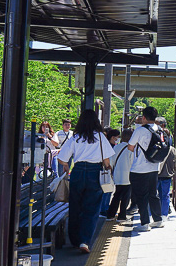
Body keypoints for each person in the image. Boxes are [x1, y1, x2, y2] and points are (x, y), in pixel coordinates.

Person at [56, 109, 112, 254]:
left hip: (78, 172)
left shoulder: (75, 137)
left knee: (75, 206)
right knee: (92, 208)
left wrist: (67, 166)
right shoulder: (100, 137)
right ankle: (84, 241)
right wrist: (108, 167)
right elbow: (106, 160)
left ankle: (74, 240)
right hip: (95, 173)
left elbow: (61, 158)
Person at [127, 106, 165, 231]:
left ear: (144, 117)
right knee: (153, 194)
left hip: (139, 168)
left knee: (141, 196)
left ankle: (144, 223)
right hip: (154, 166)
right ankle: (158, 220)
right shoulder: (159, 129)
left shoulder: (140, 130)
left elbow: (130, 147)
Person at [105, 127, 133, 223]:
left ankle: (110, 215)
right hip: (128, 176)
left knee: (116, 195)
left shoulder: (116, 147)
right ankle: (122, 216)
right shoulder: (131, 149)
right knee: (125, 197)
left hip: (117, 175)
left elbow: (111, 162)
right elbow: (132, 162)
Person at [157, 143, 176, 219]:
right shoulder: (172, 149)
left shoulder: (158, 147)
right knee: (165, 195)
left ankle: (156, 213)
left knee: (155, 195)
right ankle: (164, 214)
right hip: (167, 175)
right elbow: (175, 161)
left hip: (157, 174)